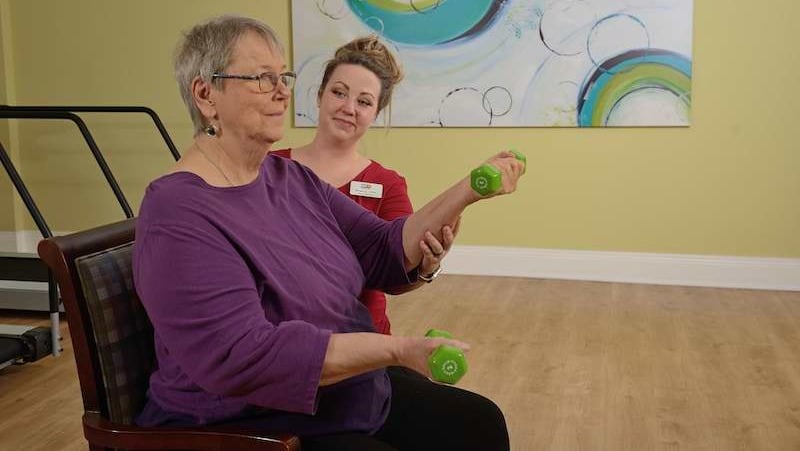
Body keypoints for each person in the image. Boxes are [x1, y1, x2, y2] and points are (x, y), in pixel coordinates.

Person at [133, 15, 523, 450]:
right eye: (262, 78)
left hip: (338, 393)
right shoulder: (178, 212)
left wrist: (468, 192)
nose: (283, 91)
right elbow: (244, 357)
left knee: (479, 424)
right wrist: (395, 350)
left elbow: (384, 248)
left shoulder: (288, 177)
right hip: (254, 421)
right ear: (206, 95)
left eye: (283, 76)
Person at [272, 36, 453, 335]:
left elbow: (395, 275)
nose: (349, 108)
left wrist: (426, 268)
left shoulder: (387, 184)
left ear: (376, 113)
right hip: (277, 338)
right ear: (319, 96)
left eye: (364, 101)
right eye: (339, 93)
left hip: (361, 343)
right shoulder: (268, 166)